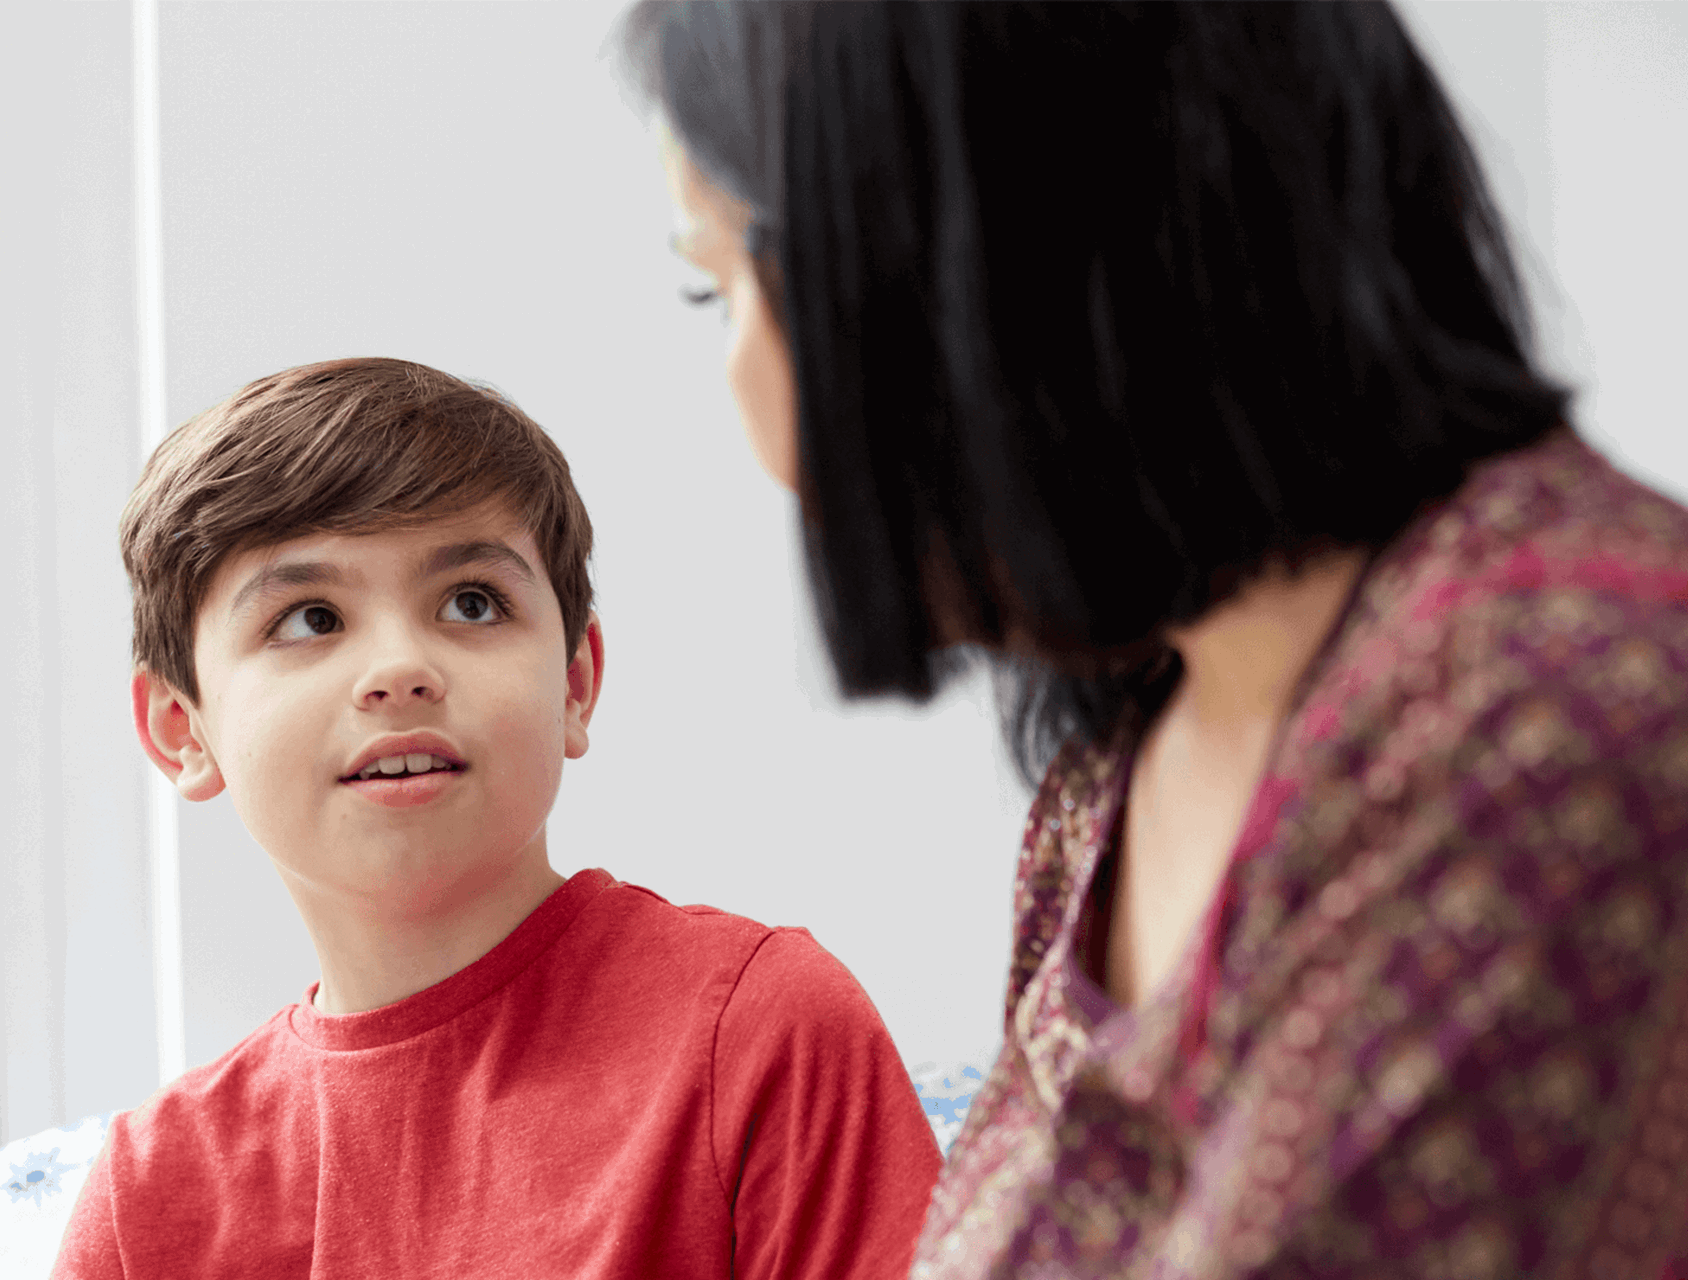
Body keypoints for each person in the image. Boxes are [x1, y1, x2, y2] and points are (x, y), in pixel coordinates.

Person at [621, 3, 1688, 1277]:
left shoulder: (1555, 703)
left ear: (1016, 252)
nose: (743, 387)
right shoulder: (1119, 756)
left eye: (743, 280)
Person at [51, 357, 941, 1278]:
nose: (399, 668)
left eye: (472, 603)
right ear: (179, 730)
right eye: (310, 618)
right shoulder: (148, 1199)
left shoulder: (762, 1032)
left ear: (575, 684)